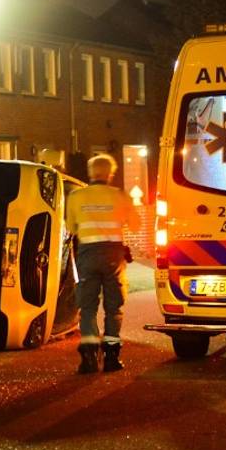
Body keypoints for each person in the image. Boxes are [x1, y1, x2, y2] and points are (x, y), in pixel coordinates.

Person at [65, 153, 137, 374]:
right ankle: (112, 357)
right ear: (110, 174)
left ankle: (88, 358)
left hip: (87, 254)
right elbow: (135, 224)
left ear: (90, 173)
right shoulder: (120, 195)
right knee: (113, 307)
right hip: (114, 256)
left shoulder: (77, 196)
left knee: (87, 308)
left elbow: (71, 227)